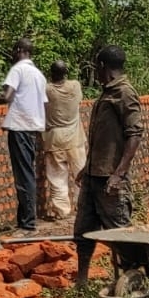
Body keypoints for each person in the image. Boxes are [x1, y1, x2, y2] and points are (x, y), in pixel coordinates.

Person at [74, 45, 144, 287]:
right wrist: (87, 166)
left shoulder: (124, 93)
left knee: (120, 235)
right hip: (93, 176)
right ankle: (81, 282)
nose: (95, 71)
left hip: (110, 180)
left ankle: (132, 283)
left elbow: (134, 134)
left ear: (102, 66)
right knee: (83, 232)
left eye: (96, 67)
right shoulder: (107, 92)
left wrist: (119, 173)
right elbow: (103, 137)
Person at [0, 39, 48, 232]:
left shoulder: (18, 70)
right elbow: (44, 103)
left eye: (13, 50)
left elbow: (6, 96)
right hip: (32, 128)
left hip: (19, 127)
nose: (12, 54)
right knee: (27, 173)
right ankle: (24, 220)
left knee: (24, 176)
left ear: (19, 50)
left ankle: (28, 223)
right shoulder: (39, 75)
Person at [41, 61, 87, 220]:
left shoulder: (47, 89)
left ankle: (62, 211)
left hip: (54, 139)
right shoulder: (75, 86)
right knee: (81, 174)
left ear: (51, 73)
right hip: (75, 137)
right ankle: (83, 207)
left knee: (57, 178)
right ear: (66, 73)